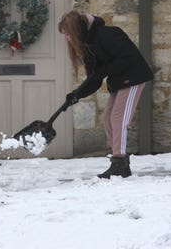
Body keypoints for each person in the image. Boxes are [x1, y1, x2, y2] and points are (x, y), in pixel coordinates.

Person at [58, 10, 154, 179]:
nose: (67, 38)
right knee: (107, 118)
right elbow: (94, 79)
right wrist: (76, 95)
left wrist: (102, 71)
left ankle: (119, 163)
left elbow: (127, 58)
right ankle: (118, 159)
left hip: (134, 76)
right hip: (119, 82)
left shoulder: (108, 34)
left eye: (67, 34)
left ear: (75, 30)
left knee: (118, 119)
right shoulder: (87, 46)